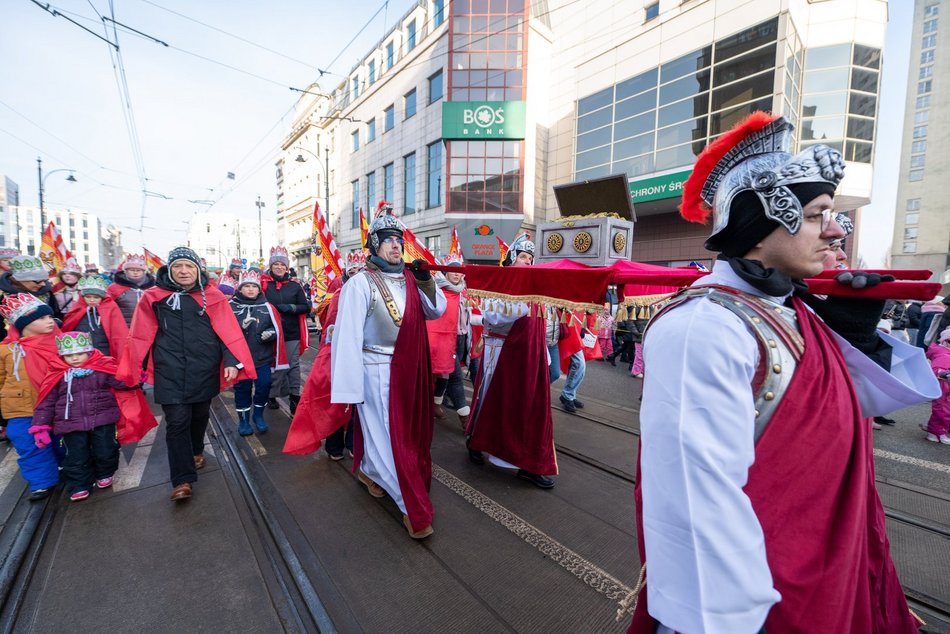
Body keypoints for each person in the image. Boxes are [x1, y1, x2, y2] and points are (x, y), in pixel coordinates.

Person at [628, 113, 940, 634]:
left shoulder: (794, 309)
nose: (837, 229)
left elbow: (846, 411)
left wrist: (859, 339)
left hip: (823, 569)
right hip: (763, 601)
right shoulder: (703, 328)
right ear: (760, 223)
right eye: (818, 213)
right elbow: (696, 502)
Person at [330, 204, 445, 539]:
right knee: (389, 438)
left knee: (403, 435)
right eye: (388, 240)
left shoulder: (411, 278)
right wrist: (350, 389)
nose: (396, 245)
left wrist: (426, 281)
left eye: (399, 239)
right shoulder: (360, 283)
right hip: (375, 370)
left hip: (410, 370)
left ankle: (368, 470)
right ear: (374, 246)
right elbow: (347, 338)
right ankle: (410, 504)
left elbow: (435, 311)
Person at [119, 246, 255, 502]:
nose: (184, 271)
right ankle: (182, 479)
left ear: (198, 270)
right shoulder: (153, 297)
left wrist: (231, 360)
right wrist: (134, 367)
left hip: (203, 368)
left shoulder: (213, 296)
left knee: (199, 413)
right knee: (177, 421)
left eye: (189, 266)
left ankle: (196, 449)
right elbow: (140, 333)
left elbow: (227, 331)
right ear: (169, 270)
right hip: (168, 369)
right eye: (178, 266)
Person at [466, 232, 557, 489]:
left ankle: (523, 459)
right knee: (488, 398)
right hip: (499, 349)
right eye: (523, 256)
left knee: (523, 405)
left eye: (530, 258)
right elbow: (493, 316)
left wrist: (543, 353)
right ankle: (476, 440)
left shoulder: (534, 285)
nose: (527, 262)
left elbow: (541, 322)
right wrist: (522, 305)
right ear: (512, 258)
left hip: (527, 356)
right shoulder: (500, 281)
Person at [31, 332, 138, 501]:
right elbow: (46, 401)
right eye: (69, 355)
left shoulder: (102, 368)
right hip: (69, 424)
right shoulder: (57, 374)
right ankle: (79, 484)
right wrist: (40, 426)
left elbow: (120, 381)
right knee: (75, 456)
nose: (74, 358)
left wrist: (136, 378)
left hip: (103, 418)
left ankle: (104, 473)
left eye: (79, 354)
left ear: (89, 352)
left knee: (106, 450)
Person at [0, 294, 62, 499]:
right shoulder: (7, 350)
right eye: (42, 318)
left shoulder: (59, 342)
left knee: (60, 440)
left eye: (50, 317)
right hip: (21, 408)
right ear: (23, 323)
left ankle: (65, 466)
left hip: (55, 404)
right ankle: (42, 482)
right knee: (30, 445)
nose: (49, 321)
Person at [229, 269, 284, 436]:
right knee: (242, 390)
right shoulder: (230, 306)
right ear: (240, 289)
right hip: (240, 360)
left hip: (262, 357)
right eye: (247, 286)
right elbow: (224, 332)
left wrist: (271, 334)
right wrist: (241, 328)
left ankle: (258, 416)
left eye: (254, 286)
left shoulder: (268, 307)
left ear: (259, 289)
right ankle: (244, 420)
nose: (251, 289)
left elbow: (277, 329)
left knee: (264, 386)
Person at [261, 246, 310, 415]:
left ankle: (295, 397)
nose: (280, 268)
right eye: (276, 265)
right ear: (271, 266)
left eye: (283, 265)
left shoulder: (295, 286)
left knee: (293, 365)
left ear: (287, 267)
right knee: (273, 365)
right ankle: (272, 395)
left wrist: (290, 307)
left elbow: (306, 307)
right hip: (270, 332)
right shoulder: (263, 285)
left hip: (291, 333)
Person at [427, 253, 472, 427]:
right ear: (445, 272)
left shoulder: (464, 291)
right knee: (455, 377)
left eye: (459, 271)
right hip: (442, 339)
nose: (456, 274)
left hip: (460, 338)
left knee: (445, 374)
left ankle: (435, 404)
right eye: (452, 270)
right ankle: (465, 419)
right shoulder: (436, 289)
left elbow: (470, 315)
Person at [62, 275, 128, 358]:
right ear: (83, 297)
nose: (92, 300)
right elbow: (69, 328)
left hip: (105, 351)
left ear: (102, 297)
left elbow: (119, 334)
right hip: (83, 352)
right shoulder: (77, 309)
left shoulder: (110, 308)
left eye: (96, 297)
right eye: (88, 297)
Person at [0, 255, 63, 321]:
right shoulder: (3, 295)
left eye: (45, 280)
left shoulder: (46, 292)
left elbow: (56, 314)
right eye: (38, 281)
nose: (43, 284)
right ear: (20, 280)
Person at [107, 253, 156, 327]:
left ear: (144, 272)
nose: (135, 272)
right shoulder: (114, 288)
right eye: (132, 270)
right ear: (125, 271)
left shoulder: (153, 288)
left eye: (138, 270)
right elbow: (107, 309)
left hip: (148, 328)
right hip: (123, 328)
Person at [925, 328, 950, 444]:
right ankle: (937, 432)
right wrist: (944, 373)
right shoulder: (944, 354)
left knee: (942, 410)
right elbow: (937, 369)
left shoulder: (944, 352)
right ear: (945, 341)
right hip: (944, 386)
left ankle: (936, 431)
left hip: (945, 386)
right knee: (943, 410)